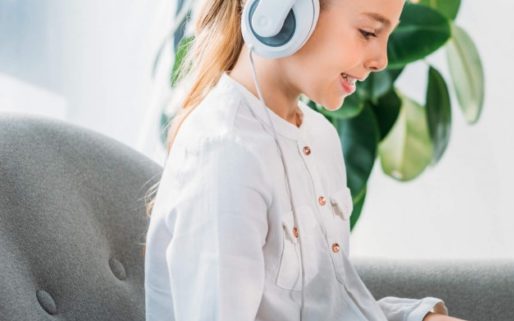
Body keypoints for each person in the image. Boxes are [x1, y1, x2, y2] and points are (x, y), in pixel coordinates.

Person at [143, 0, 466, 320]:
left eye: (387, 36)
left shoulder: (319, 135)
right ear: (281, 13)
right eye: (368, 32)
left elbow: (329, 307)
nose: (381, 61)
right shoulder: (226, 154)